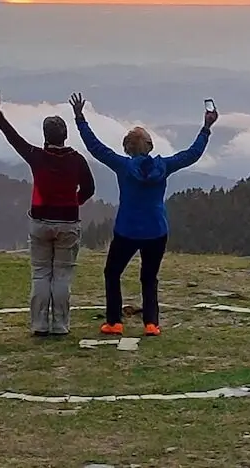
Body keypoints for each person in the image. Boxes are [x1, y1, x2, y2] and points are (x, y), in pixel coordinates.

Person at [69, 92, 217, 337]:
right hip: (156, 230)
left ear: (127, 149)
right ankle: (151, 323)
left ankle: (114, 322)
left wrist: (80, 118)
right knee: (149, 277)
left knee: (112, 272)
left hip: (127, 230)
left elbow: (96, 148)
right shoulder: (164, 166)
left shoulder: (122, 165)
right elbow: (192, 154)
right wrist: (206, 128)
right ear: (150, 146)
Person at [0, 90, 96, 337]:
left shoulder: (37, 156)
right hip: (68, 223)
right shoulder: (77, 160)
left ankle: (39, 324)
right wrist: (74, 202)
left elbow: (12, 137)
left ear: (45, 136)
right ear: (65, 135)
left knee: (40, 274)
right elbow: (89, 188)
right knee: (62, 276)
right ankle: (60, 325)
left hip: (40, 221)